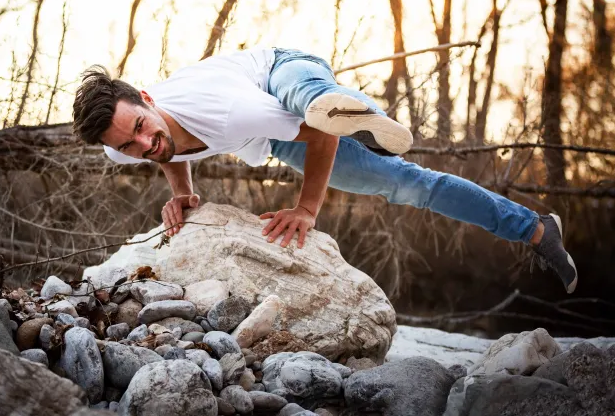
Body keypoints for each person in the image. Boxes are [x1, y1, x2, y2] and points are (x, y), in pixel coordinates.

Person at [72, 48, 578, 294]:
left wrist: (307, 207)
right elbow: (167, 149)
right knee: (410, 186)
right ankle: (537, 228)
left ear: (145, 97)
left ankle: (352, 112)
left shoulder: (229, 110)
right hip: (271, 137)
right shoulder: (119, 146)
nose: (143, 144)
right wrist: (182, 190)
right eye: (131, 146)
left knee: (309, 102)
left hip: (277, 69)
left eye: (141, 126)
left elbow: (318, 136)